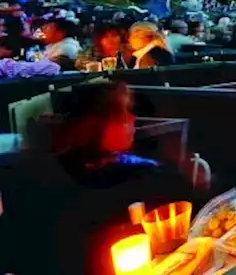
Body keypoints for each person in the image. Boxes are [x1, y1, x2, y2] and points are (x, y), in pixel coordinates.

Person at [3, 82, 204, 273]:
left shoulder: (43, 171)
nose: (132, 118)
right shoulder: (135, 184)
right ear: (94, 126)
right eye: (122, 113)